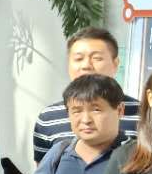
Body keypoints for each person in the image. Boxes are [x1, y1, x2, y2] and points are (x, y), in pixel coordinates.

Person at [32, 26, 141, 163]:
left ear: (116, 64)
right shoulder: (48, 118)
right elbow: (43, 173)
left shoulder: (143, 114)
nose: (86, 65)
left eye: (97, 58)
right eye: (78, 59)